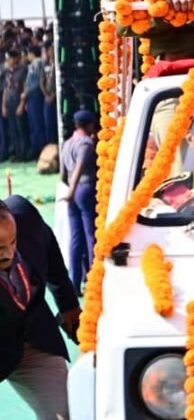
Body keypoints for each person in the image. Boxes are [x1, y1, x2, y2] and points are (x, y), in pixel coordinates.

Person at [0, 196, 81, 420]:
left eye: (12, 242)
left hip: (33, 336)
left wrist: (68, 306)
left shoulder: (24, 215)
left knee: (65, 419)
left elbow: (49, 251)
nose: (8, 253)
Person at [60, 109, 97, 291]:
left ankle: (74, 282)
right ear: (89, 125)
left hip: (71, 191)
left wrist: (69, 191)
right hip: (83, 189)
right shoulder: (86, 143)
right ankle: (93, 278)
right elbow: (80, 166)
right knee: (90, 236)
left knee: (76, 238)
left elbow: (63, 174)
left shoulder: (67, 144)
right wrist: (74, 189)